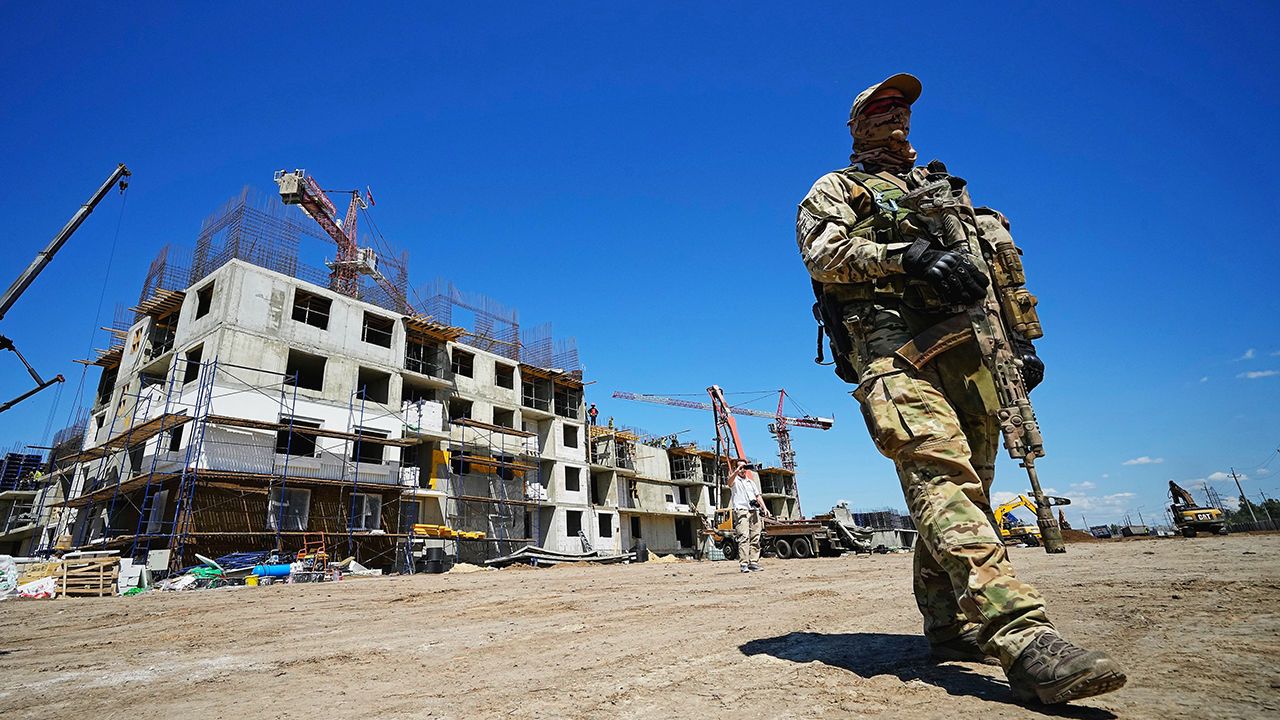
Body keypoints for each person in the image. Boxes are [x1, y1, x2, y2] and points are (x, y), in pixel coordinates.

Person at [795, 73, 1126, 705]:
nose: (895, 114)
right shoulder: (836, 189)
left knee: (966, 487)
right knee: (941, 477)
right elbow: (824, 255)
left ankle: (948, 625)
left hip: (974, 355)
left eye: (903, 107)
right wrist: (906, 256)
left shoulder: (954, 198)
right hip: (894, 353)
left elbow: (999, 280)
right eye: (880, 106)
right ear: (858, 125)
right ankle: (1024, 637)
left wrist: (1021, 348)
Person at [729, 460, 771, 573]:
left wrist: (764, 508)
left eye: (744, 467)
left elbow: (758, 496)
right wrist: (736, 471)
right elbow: (729, 481)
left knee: (756, 538)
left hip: (754, 511)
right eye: (740, 467)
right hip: (742, 511)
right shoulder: (734, 481)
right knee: (744, 537)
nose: (743, 470)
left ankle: (754, 562)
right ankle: (744, 564)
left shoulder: (750, 482)